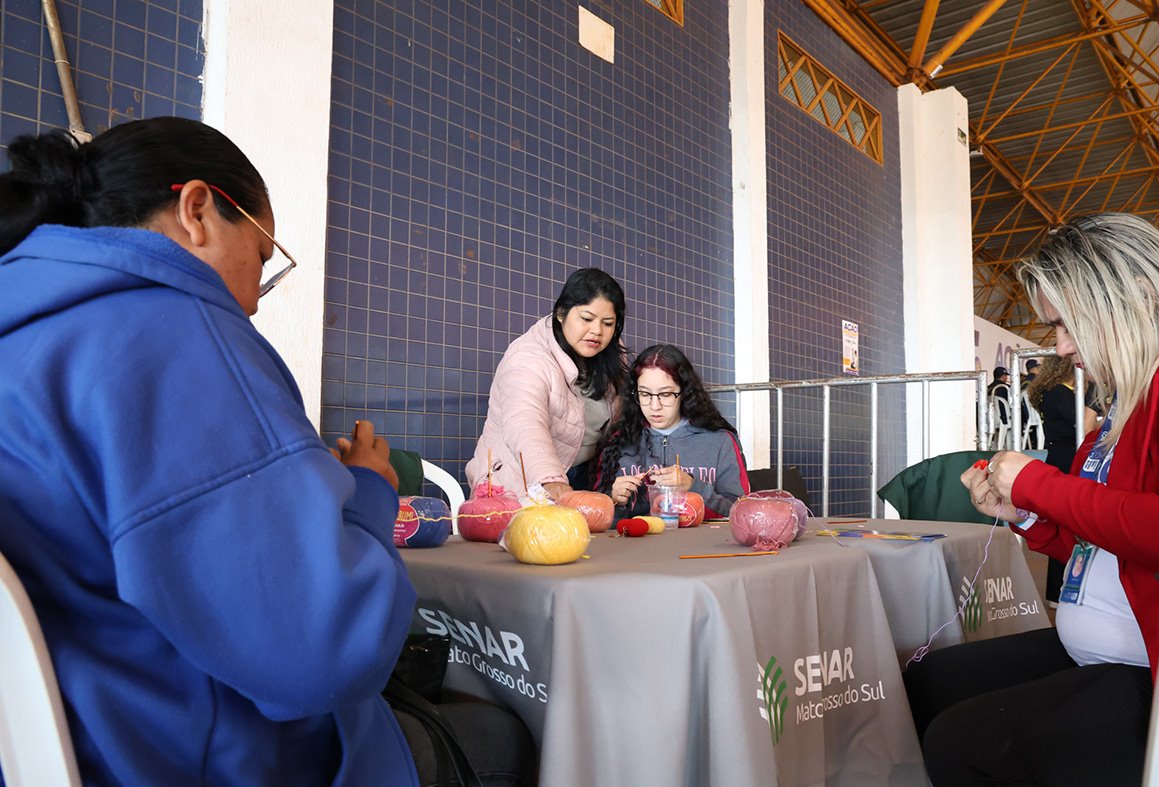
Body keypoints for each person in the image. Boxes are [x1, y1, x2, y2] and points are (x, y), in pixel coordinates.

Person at [0, 118, 531, 786]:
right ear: (197, 210)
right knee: (505, 736)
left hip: (82, 736)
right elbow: (326, 654)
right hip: (196, 754)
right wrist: (369, 490)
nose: (252, 301)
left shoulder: (26, 324)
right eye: (260, 256)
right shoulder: (174, 333)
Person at [904, 212, 1159, 786]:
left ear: (1138, 298)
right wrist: (1027, 514)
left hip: (1153, 668)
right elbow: (1095, 545)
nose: (1062, 346)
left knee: (961, 741)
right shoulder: (1122, 406)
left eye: (1069, 325)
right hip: (1103, 648)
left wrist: (1037, 483)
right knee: (930, 681)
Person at [466, 267, 628, 499]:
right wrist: (551, 481)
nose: (597, 331)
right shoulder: (527, 357)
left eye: (608, 323)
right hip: (519, 483)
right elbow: (525, 423)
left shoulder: (611, 353)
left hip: (584, 476)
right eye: (586, 319)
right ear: (561, 313)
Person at [594, 344, 750, 519]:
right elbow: (596, 516)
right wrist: (613, 500)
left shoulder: (720, 441)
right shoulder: (618, 441)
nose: (655, 406)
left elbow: (742, 512)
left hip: (703, 538)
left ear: (684, 393)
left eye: (666, 395)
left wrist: (693, 487)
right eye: (645, 394)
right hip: (639, 537)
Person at [1027, 353, 1102, 602]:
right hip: (1066, 460)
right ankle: (1058, 591)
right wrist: (1095, 398)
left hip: (1060, 457)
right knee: (1066, 526)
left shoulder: (1052, 392)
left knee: (1064, 526)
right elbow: (1084, 424)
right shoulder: (1059, 393)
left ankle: (1057, 591)